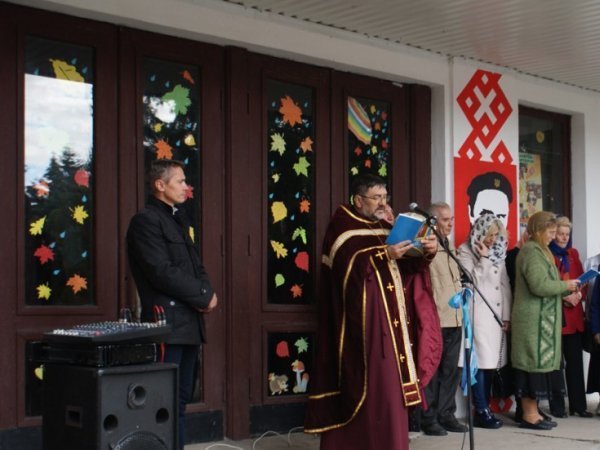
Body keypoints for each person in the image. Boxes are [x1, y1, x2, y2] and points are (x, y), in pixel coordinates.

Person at [303, 174, 442, 450]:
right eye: (376, 197)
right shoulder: (342, 227)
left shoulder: (385, 228)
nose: (382, 203)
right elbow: (346, 270)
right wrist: (384, 255)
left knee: (391, 393)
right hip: (363, 329)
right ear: (358, 200)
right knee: (377, 388)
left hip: (393, 326)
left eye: (384, 197)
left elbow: (408, 270)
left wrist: (426, 251)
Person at [127, 159, 218, 450]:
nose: (185, 187)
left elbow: (195, 266)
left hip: (188, 323)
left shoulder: (178, 220)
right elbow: (161, 271)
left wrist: (207, 293)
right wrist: (202, 296)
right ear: (160, 185)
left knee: (179, 400)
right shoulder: (145, 221)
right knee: (161, 402)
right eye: (180, 181)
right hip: (166, 324)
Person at [511, 211, 580, 430]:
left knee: (537, 367)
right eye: (550, 232)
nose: (553, 236)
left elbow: (547, 283)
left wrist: (567, 289)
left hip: (540, 322)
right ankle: (529, 415)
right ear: (538, 230)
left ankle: (534, 413)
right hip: (532, 322)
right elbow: (538, 285)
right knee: (530, 366)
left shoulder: (541, 250)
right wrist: (565, 285)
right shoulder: (531, 252)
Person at [457, 213, 512, 429]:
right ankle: (480, 409)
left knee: (490, 366)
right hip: (478, 315)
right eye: (490, 234)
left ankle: (485, 407)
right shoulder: (465, 250)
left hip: (495, 318)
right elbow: (472, 282)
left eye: (496, 235)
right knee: (479, 364)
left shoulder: (499, 251)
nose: (492, 239)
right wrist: (484, 259)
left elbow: (504, 285)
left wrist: (506, 316)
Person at [419, 202, 468, 436]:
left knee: (451, 370)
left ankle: (447, 414)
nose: (451, 224)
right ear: (433, 221)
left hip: (455, 318)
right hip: (436, 318)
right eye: (446, 220)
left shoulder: (449, 245)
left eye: (452, 219)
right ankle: (428, 418)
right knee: (433, 371)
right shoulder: (426, 246)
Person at [548, 216, 592, 417]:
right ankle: (557, 408)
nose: (564, 238)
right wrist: (564, 298)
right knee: (556, 366)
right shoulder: (547, 254)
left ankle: (579, 406)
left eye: (567, 234)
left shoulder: (573, 254)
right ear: (553, 234)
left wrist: (578, 295)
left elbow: (583, 281)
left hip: (574, 318)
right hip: (556, 317)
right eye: (560, 234)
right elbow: (545, 285)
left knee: (575, 364)